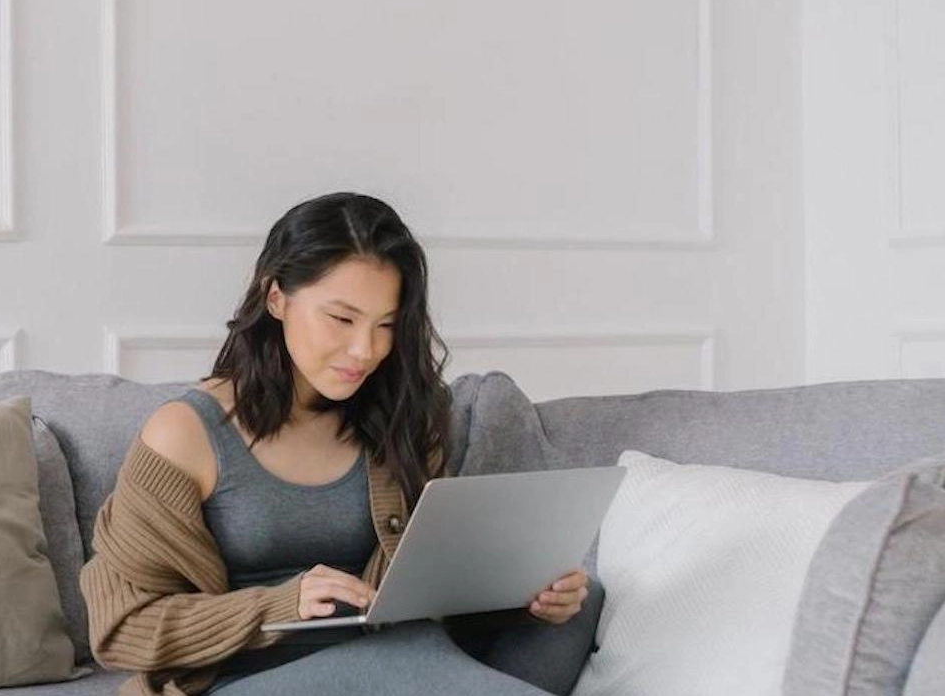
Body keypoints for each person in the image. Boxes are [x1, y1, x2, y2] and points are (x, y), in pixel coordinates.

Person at [79, 192, 604, 696]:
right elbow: (122, 627)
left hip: (399, 653)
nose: (366, 349)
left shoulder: (404, 418)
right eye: (342, 318)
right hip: (252, 676)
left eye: (386, 326)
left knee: (580, 603)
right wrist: (283, 605)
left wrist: (522, 598)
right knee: (395, 662)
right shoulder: (186, 434)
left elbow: (425, 591)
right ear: (276, 296)